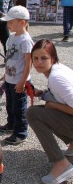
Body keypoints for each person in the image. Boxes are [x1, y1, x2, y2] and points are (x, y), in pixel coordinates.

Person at [26, 39, 73, 184]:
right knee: (44, 110)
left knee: (32, 113)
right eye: (35, 58)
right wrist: (41, 93)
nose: (39, 62)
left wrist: (53, 105)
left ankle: (62, 164)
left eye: (44, 58)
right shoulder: (58, 69)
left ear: (53, 58)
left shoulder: (56, 77)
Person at [0, 6, 33, 145]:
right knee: (10, 105)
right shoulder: (12, 37)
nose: (8, 25)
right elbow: (10, 58)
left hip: (19, 81)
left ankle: (21, 133)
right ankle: (11, 125)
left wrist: (23, 82)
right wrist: (5, 75)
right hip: (10, 78)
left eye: (11, 22)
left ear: (22, 22)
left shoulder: (25, 40)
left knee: (19, 108)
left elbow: (28, 63)